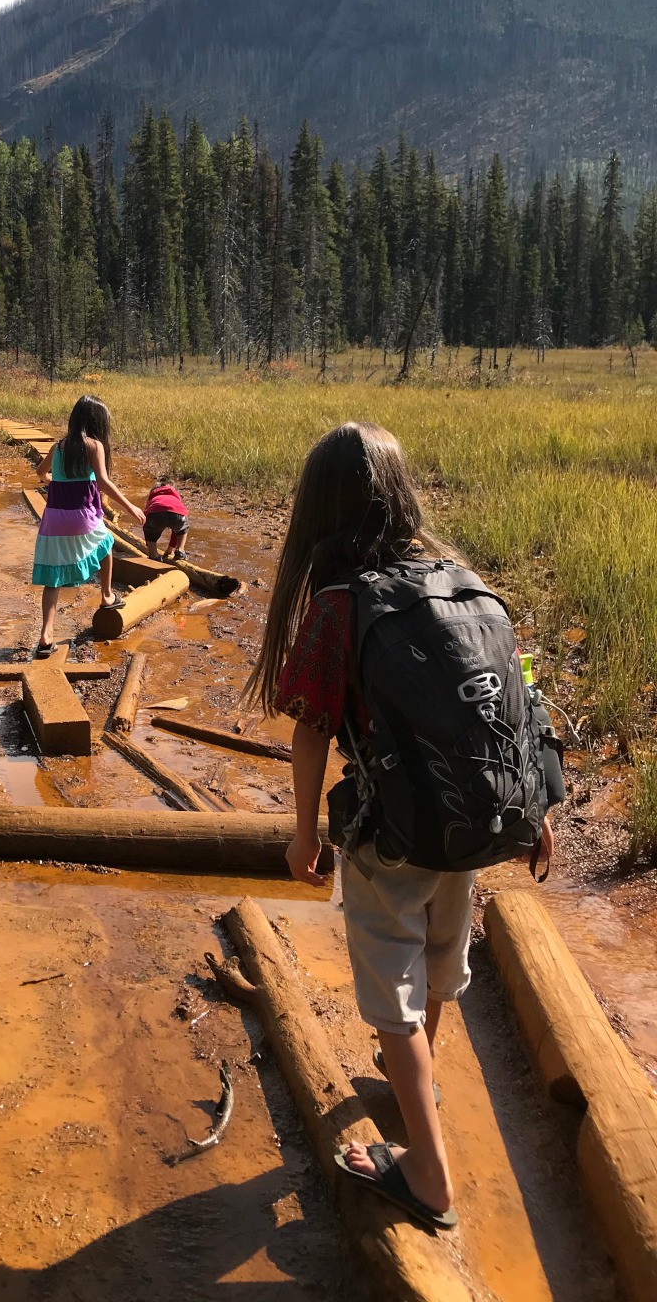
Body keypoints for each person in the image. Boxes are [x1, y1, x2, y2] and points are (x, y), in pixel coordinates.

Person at [241, 422, 553, 1232]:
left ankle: (429, 1175)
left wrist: (303, 833)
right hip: (475, 821)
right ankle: (421, 1086)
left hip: (392, 834)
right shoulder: (464, 582)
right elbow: (519, 693)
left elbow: (312, 727)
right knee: (441, 964)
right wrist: (540, 805)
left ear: (321, 509)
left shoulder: (341, 603)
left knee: (390, 991)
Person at [32, 395, 146, 658]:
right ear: (96, 422)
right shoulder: (94, 446)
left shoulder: (58, 446)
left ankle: (46, 636)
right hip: (81, 516)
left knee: (53, 576)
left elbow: (40, 473)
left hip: (53, 520)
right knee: (105, 543)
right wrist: (132, 508)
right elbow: (104, 483)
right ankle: (106, 596)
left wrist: (52, 480)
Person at [143, 475, 190, 562]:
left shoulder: (153, 494)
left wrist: (149, 544)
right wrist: (169, 550)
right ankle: (180, 550)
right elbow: (176, 531)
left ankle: (153, 555)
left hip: (156, 513)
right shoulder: (175, 495)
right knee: (182, 527)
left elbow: (146, 514)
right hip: (177, 514)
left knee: (150, 529)